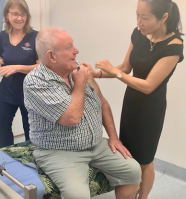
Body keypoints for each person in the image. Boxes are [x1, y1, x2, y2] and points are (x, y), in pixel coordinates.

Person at [23, 27, 141, 199]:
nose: (76, 51)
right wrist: (79, 83)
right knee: (78, 195)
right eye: (69, 47)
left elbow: (103, 103)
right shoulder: (35, 82)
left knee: (133, 171)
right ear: (51, 56)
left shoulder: (78, 69)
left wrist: (113, 137)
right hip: (59, 151)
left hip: (96, 145)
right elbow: (71, 118)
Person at [84, 0, 183, 198]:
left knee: (145, 160)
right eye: (137, 15)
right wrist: (97, 74)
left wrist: (113, 71)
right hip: (131, 103)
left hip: (151, 109)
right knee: (127, 152)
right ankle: (130, 190)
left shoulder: (174, 46)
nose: (139, 21)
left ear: (164, 17)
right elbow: (125, 69)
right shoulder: (138, 33)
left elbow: (148, 86)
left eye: (144, 17)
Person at [0, 0, 39, 147]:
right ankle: (5, 164)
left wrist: (17, 67)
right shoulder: (2, 36)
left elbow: (42, 67)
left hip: (30, 93)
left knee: (31, 132)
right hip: (6, 92)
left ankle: (32, 163)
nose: (19, 18)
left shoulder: (36, 37)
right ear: (7, 15)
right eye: (15, 14)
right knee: (2, 130)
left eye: (23, 14)